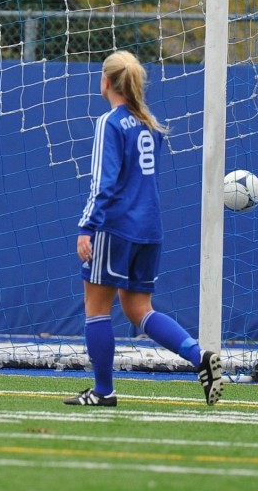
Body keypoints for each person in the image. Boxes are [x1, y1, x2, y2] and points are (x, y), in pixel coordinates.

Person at [64, 50, 224, 407]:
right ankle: (200, 358)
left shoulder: (110, 122)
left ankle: (104, 391)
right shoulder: (149, 124)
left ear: (105, 82)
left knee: (97, 308)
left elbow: (104, 184)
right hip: (149, 229)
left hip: (115, 227)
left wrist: (86, 227)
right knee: (139, 308)